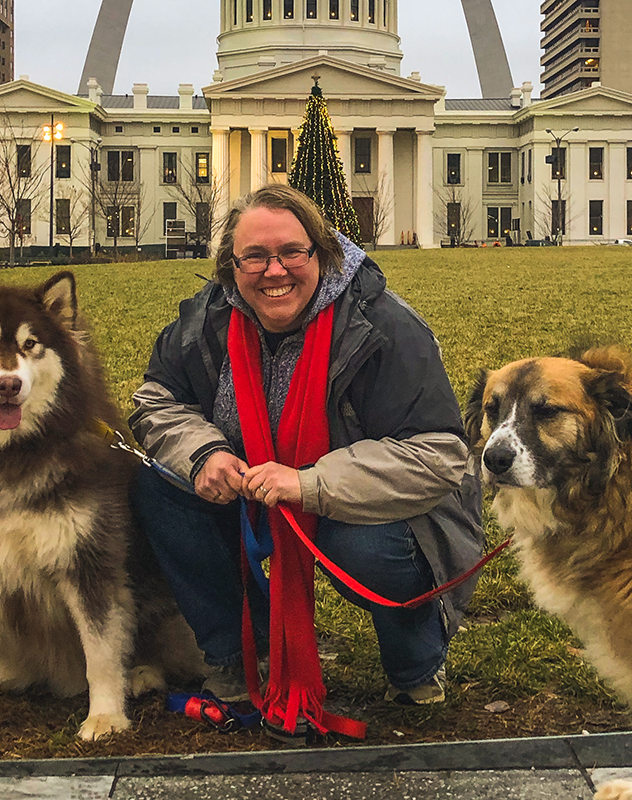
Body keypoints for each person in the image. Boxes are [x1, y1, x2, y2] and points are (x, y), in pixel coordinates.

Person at [128, 184, 483, 740]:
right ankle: (240, 656)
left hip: (373, 511)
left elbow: (438, 454)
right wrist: (205, 453)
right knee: (164, 487)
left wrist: (311, 484)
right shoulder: (208, 319)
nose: (275, 272)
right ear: (231, 265)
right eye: (255, 257)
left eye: (293, 252)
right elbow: (156, 399)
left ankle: (415, 658)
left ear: (323, 252)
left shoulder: (382, 325)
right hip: (251, 492)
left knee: (359, 543)